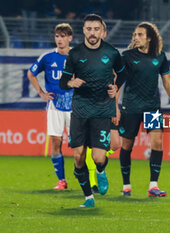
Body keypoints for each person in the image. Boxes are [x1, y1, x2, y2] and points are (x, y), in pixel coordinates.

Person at [59, 14, 124, 208]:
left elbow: (122, 73)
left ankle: (101, 171)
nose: (92, 33)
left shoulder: (112, 53)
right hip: (80, 110)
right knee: (78, 156)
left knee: (99, 157)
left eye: (96, 29)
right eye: (89, 29)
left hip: (102, 110)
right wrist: (71, 82)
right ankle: (88, 197)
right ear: (84, 31)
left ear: (102, 31)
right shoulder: (75, 54)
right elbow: (63, 82)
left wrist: (115, 87)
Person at [116, 22, 170, 197]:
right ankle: (126, 185)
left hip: (152, 107)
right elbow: (118, 83)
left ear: (149, 38)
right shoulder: (127, 56)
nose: (136, 38)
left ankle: (153, 185)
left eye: (140, 35)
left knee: (157, 143)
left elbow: (167, 81)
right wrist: (114, 106)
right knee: (127, 145)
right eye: (135, 35)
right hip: (131, 107)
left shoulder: (160, 56)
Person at [27, 23, 73, 190]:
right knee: (56, 140)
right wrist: (41, 92)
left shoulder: (76, 56)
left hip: (74, 105)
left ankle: (84, 177)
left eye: (63, 36)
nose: (60, 40)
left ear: (70, 38)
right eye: (57, 36)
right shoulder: (47, 57)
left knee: (78, 144)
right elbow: (30, 73)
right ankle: (62, 180)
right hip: (54, 104)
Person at [85, 20, 122, 194]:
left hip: (108, 106)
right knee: (92, 148)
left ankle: (99, 166)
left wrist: (116, 107)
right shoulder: (81, 56)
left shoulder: (111, 56)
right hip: (90, 108)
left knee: (115, 144)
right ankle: (94, 178)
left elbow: (115, 85)